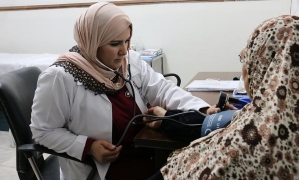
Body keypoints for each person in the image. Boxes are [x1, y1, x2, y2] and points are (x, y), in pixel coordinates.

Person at [29, 2, 225, 180]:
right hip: (106, 167)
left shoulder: (129, 61)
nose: (124, 51)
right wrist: (88, 147)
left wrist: (203, 110)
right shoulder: (60, 77)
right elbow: (42, 132)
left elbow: (164, 90)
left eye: (127, 41)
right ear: (92, 42)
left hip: (145, 150)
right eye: (114, 43)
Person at [147, 15, 299, 179]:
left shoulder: (247, 142)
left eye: (246, 59)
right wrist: (167, 117)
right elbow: (210, 124)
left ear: (265, 68)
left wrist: (166, 118)